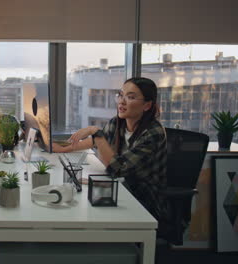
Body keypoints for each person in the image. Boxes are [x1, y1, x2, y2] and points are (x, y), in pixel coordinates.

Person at [53, 77, 170, 235]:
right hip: (122, 187)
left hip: (144, 199)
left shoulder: (153, 133)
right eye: (121, 95)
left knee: (84, 209)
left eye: (130, 97)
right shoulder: (117, 123)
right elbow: (87, 143)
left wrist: (97, 133)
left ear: (147, 105)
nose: (122, 101)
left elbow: (117, 169)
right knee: (78, 199)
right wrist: (53, 146)